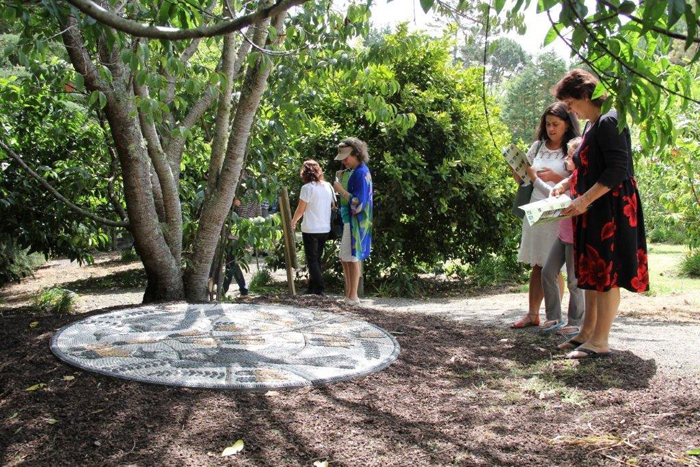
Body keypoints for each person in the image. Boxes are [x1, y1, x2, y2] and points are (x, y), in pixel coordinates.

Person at [551, 69, 649, 359]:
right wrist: (568, 183)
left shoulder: (609, 120)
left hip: (611, 207)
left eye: (570, 104)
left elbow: (618, 169)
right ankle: (587, 333)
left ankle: (600, 341)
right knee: (593, 273)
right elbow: (590, 164)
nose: (570, 111)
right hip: (594, 207)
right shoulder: (594, 124)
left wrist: (584, 200)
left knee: (607, 273)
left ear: (585, 94)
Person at [511, 102, 581, 328]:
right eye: (548, 124)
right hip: (535, 208)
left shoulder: (573, 149)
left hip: (557, 213)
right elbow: (525, 181)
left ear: (567, 125)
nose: (551, 129)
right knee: (537, 264)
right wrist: (518, 170)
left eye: (556, 124)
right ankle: (532, 313)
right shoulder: (537, 147)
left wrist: (552, 177)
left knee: (554, 267)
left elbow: (575, 183)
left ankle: (554, 317)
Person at [536, 137, 585, 335]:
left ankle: (576, 321)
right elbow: (566, 182)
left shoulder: (584, 180)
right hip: (562, 236)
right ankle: (554, 317)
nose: (566, 158)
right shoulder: (570, 179)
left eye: (570, 155)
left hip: (575, 239)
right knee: (547, 272)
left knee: (574, 281)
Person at [332, 138, 373, 306]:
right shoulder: (358, 171)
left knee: (352, 258)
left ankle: (353, 297)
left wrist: (341, 190)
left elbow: (359, 202)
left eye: (346, 157)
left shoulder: (360, 172)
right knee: (345, 258)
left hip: (355, 221)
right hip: (351, 220)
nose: (344, 161)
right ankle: (349, 295)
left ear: (357, 153)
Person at [291, 160, 335, 296]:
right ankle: (312, 288)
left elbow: (300, 209)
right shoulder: (328, 186)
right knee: (317, 259)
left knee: (312, 260)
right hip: (325, 228)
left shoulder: (307, 188)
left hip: (311, 228)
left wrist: (293, 222)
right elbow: (333, 205)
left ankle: (320, 287)